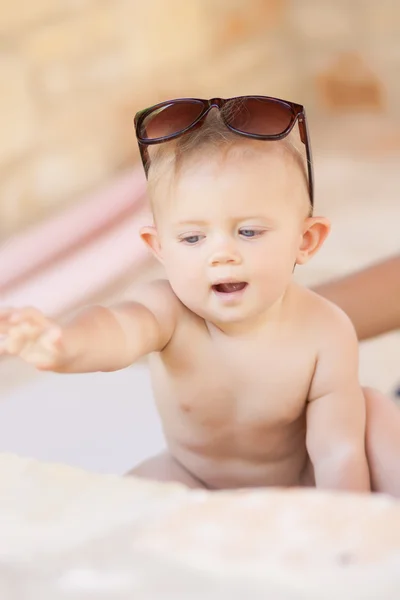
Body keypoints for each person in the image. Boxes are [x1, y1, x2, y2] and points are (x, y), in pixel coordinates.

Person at [0, 96, 398, 496]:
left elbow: (337, 452)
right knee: (125, 500)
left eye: (248, 231)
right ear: (158, 248)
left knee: (375, 417)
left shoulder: (326, 331)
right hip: (194, 480)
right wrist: (63, 343)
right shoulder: (167, 312)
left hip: (299, 486)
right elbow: (117, 328)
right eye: (192, 238)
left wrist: (341, 526)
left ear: (306, 241)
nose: (220, 254)